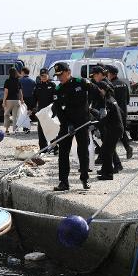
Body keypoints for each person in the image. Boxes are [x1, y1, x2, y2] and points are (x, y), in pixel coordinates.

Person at [51, 62, 95, 191]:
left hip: (82, 122)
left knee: (83, 151)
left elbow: (95, 90)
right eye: (57, 75)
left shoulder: (81, 82)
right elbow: (59, 110)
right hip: (67, 124)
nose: (59, 78)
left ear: (68, 72)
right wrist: (68, 124)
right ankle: (64, 182)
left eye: (61, 74)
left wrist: (95, 108)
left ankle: (85, 178)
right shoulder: (58, 90)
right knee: (63, 153)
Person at [106, 64, 133, 160]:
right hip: (123, 111)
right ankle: (127, 148)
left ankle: (113, 155)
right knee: (121, 131)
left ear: (111, 74)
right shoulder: (124, 84)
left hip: (115, 111)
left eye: (107, 72)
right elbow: (128, 100)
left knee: (114, 132)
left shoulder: (110, 85)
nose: (106, 74)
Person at [33, 68, 56, 150]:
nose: (43, 77)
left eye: (45, 75)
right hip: (41, 111)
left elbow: (55, 98)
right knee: (41, 130)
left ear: (48, 75)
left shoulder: (52, 85)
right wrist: (31, 108)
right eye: (42, 76)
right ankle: (43, 148)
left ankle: (54, 146)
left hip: (50, 110)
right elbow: (34, 98)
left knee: (51, 128)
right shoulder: (37, 86)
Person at [2, 67, 24, 134]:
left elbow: (6, 92)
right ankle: (15, 130)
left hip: (9, 100)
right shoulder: (18, 81)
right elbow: (20, 92)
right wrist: (22, 99)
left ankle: (7, 130)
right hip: (17, 100)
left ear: (9, 73)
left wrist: (3, 101)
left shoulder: (7, 81)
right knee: (15, 116)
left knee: (6, 115)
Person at [19, 67, 36, 134]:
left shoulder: (20, 80)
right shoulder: (32, 81)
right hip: (31, 99)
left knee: (23, 113)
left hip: (23, 99)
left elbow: (18, 91)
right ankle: (27, 128)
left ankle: (25, 127)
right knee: (28, 113)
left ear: (23, 72)